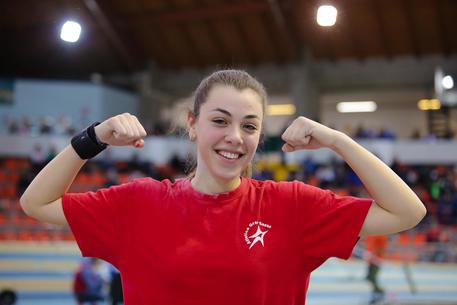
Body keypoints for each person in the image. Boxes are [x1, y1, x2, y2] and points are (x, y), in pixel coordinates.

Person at [20, 70, 426, 305]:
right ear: (192, 123)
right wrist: (93, 138)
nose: (235, 136)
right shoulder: (139, 203)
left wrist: (339, 141)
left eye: (249, 125)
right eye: (220, 120)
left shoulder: (292, 205)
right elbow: (36, 202)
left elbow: (407, 212)